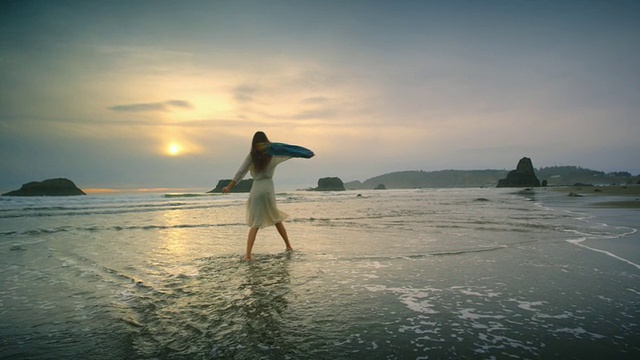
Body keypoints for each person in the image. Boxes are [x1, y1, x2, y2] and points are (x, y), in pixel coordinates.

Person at [223, 131, 296, 260]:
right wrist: (299, 153)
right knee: (276, 219)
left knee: (255, 223)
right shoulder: (271, 155)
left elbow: (241, 172)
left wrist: (229, 186)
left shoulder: (252, 156)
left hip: (256, 189)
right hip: (268, 189)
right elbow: (287, 153)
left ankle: (248, 255)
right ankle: (289, 246)